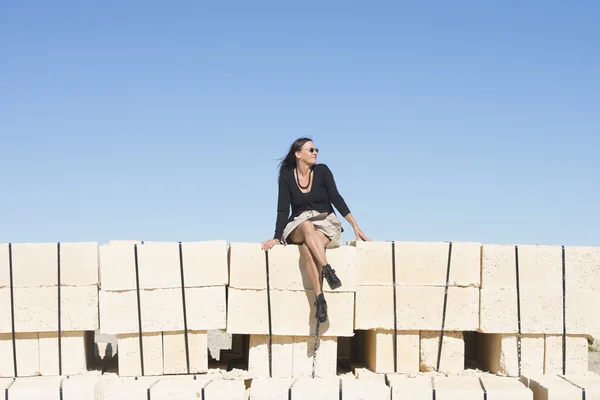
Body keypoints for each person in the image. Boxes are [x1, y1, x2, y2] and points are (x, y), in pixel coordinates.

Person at [261, 137, 371, 324]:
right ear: (298, 154)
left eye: (316, 149)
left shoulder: (322, 171)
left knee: (307, 248)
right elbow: (282, 209)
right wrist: (276, 237)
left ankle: (320, 300)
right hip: (299, 223)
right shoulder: (287, 175)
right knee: (306, 225)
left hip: (325, 221)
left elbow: (336, 198)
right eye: (311, 150)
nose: (315, 153)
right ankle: (327, 269)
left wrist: (355, 226)